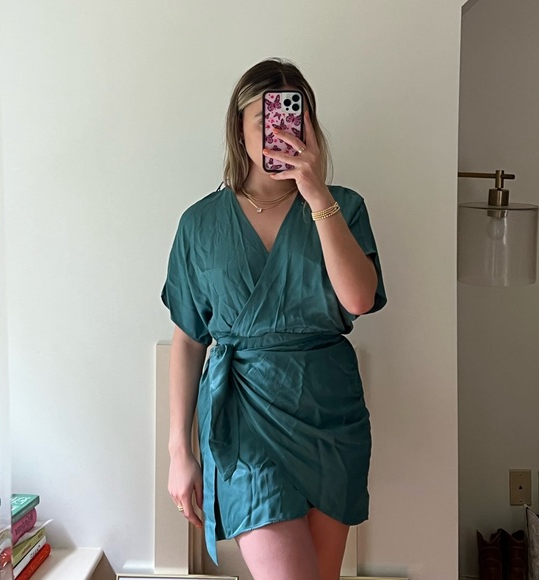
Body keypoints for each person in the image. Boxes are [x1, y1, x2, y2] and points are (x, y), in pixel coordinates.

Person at [161, 57, 387, 580]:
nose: (280, 129)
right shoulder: (200, 223)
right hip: (245, 419)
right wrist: (179, 450)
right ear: (239, 129)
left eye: (293, 116)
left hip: (329, 412)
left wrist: (317, 194)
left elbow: (358, 299)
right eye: (265, 118)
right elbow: (189, 338)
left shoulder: (343, 206)